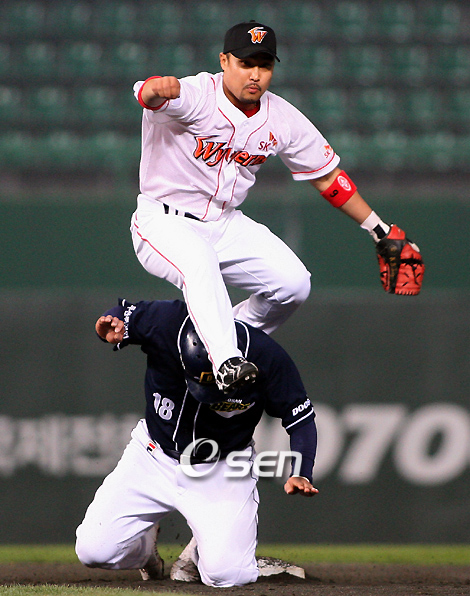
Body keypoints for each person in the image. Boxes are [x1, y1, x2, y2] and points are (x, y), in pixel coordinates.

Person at [130, 20, 423, 394]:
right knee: (199, 262)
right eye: (245, 63)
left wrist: (378, 229)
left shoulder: (281, 117)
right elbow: (149, 95)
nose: (255, 74)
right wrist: (155, 88)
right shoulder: (197, 94)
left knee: (293, 284)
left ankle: (210, 344)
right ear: (224, 61)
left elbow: (327, 177)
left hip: (223, 222)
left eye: (264, 65)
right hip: (163, 220)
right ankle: (226, 362)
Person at [75, 297, 318, 588]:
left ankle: (203, 555)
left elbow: (300, 418)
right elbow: (124, 315)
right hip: (152, 456)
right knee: (93, 551)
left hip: (222, 467)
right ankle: (143, 549)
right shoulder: (166, 322)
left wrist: (302, 471)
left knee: (228, 574)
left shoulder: (266, 356)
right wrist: (111, 321)